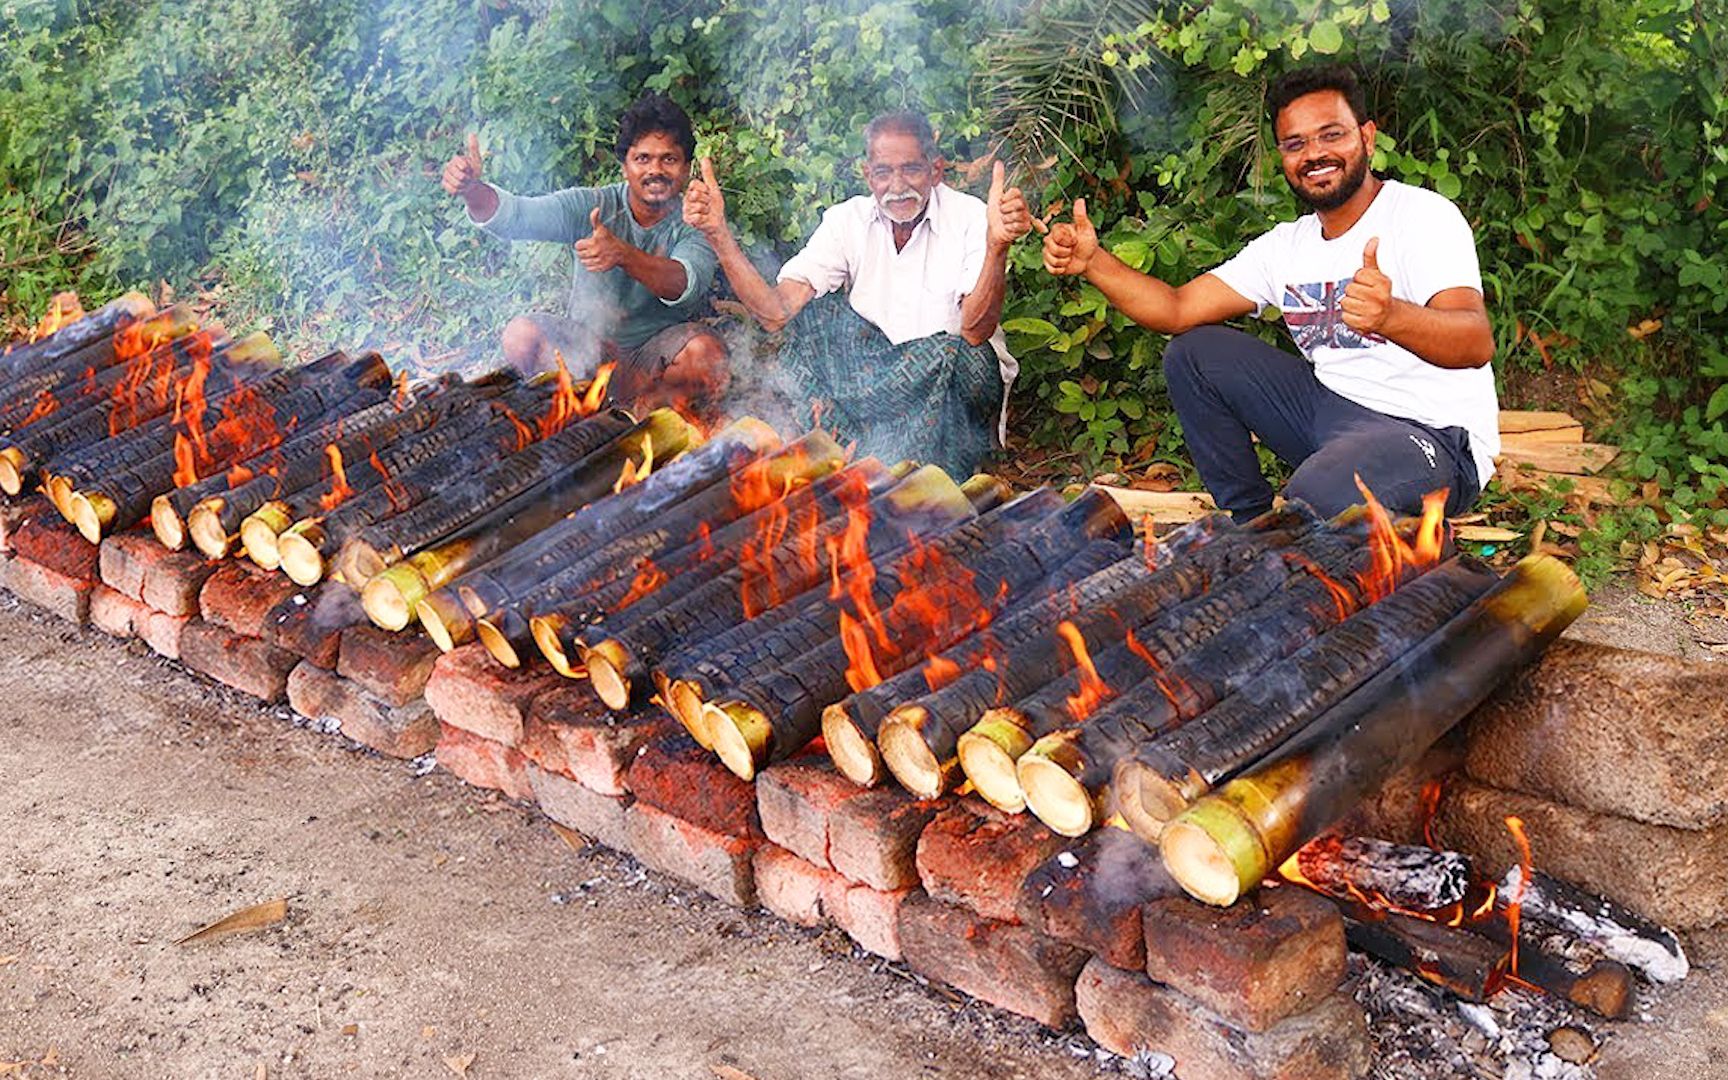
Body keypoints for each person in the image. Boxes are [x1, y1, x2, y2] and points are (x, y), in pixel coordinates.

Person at [1042, 64, 1498, 520]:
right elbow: (1177, 309)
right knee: (1194, 353)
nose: (1315, 154)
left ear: (1368, 137)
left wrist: (1391, 316)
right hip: (1330, 413)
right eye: (1296, 144)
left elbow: (1476, 342)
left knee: (1317, 496)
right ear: (1282, 156)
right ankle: (1251, 525)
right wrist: (1093, 262)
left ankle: (1387, 544)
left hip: (1432, 436)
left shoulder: (1421, 217)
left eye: (1331, 135)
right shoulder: (1286, 246)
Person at [682, 110, 1033, 476]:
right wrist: (718, 234)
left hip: (949, 379)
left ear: (936, 170)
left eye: (911, 169)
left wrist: (997, 246)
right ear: (868, 175)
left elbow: (975, 330)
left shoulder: (972, 217)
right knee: (813, 321)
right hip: (871, 382)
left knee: (956, 354)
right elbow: (776, 312)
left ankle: (899, 468)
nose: (897, 185)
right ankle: (858, 452)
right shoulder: (846, 220)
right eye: (883, 172)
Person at [441, 92, 726, 411]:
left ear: (686, 168)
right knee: (520, 335)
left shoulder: (696, 222)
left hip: (654, 360)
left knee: (705, 355)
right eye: (642, 158)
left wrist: (623, 255)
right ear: (624, 167)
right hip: (586, 351)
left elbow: (686, 284)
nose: (654, 170)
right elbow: (517, 217)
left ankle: (635, 417)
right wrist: (471, 190)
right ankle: (584, 408)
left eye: (668, 159)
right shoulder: (594, 205)